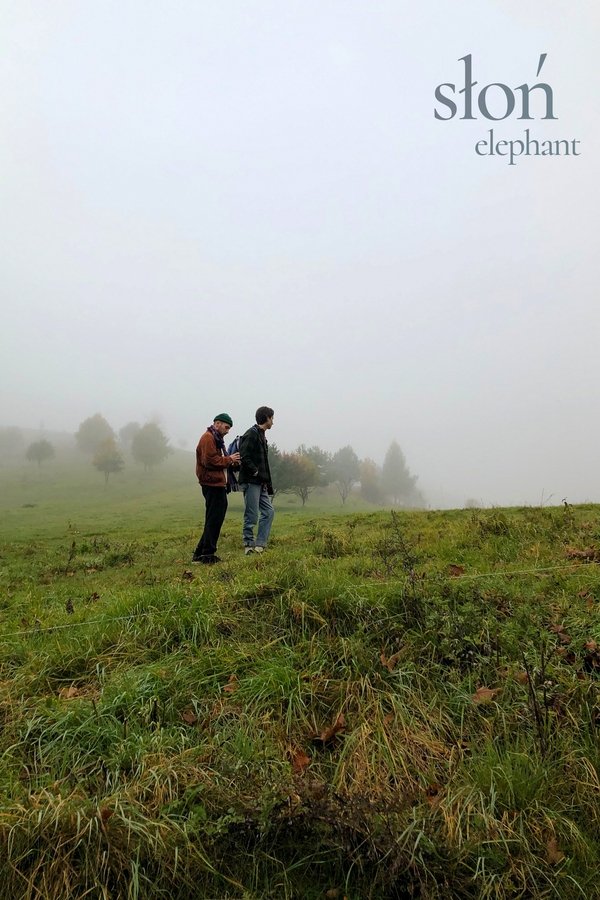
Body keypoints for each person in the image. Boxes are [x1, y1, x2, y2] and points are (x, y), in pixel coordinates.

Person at [192, 413, 240, 564]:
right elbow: (210, 461)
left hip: (216, 483)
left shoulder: (216, 439)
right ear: (217, 424)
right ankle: (208, 554)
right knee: (214, 519)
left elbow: (216, 460)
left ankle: (200, 554)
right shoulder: (208, 438)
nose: (227, 431)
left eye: (229, 429)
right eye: (226, 427)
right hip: (211, 484)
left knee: (212, 519)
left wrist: (231, 462)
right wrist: (229, 459)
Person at [239, 406, 275, 555]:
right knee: (252, 514)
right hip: (251, 481)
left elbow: (264, 463)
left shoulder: (262, 436)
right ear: (266, 417)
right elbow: (244, 455)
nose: (273, 422)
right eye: (272, 418)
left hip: (261, 483)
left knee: (269, 511)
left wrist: (266, 481)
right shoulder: (251, 434)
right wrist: (255, 471)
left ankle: (260, 544)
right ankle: (248, 545)